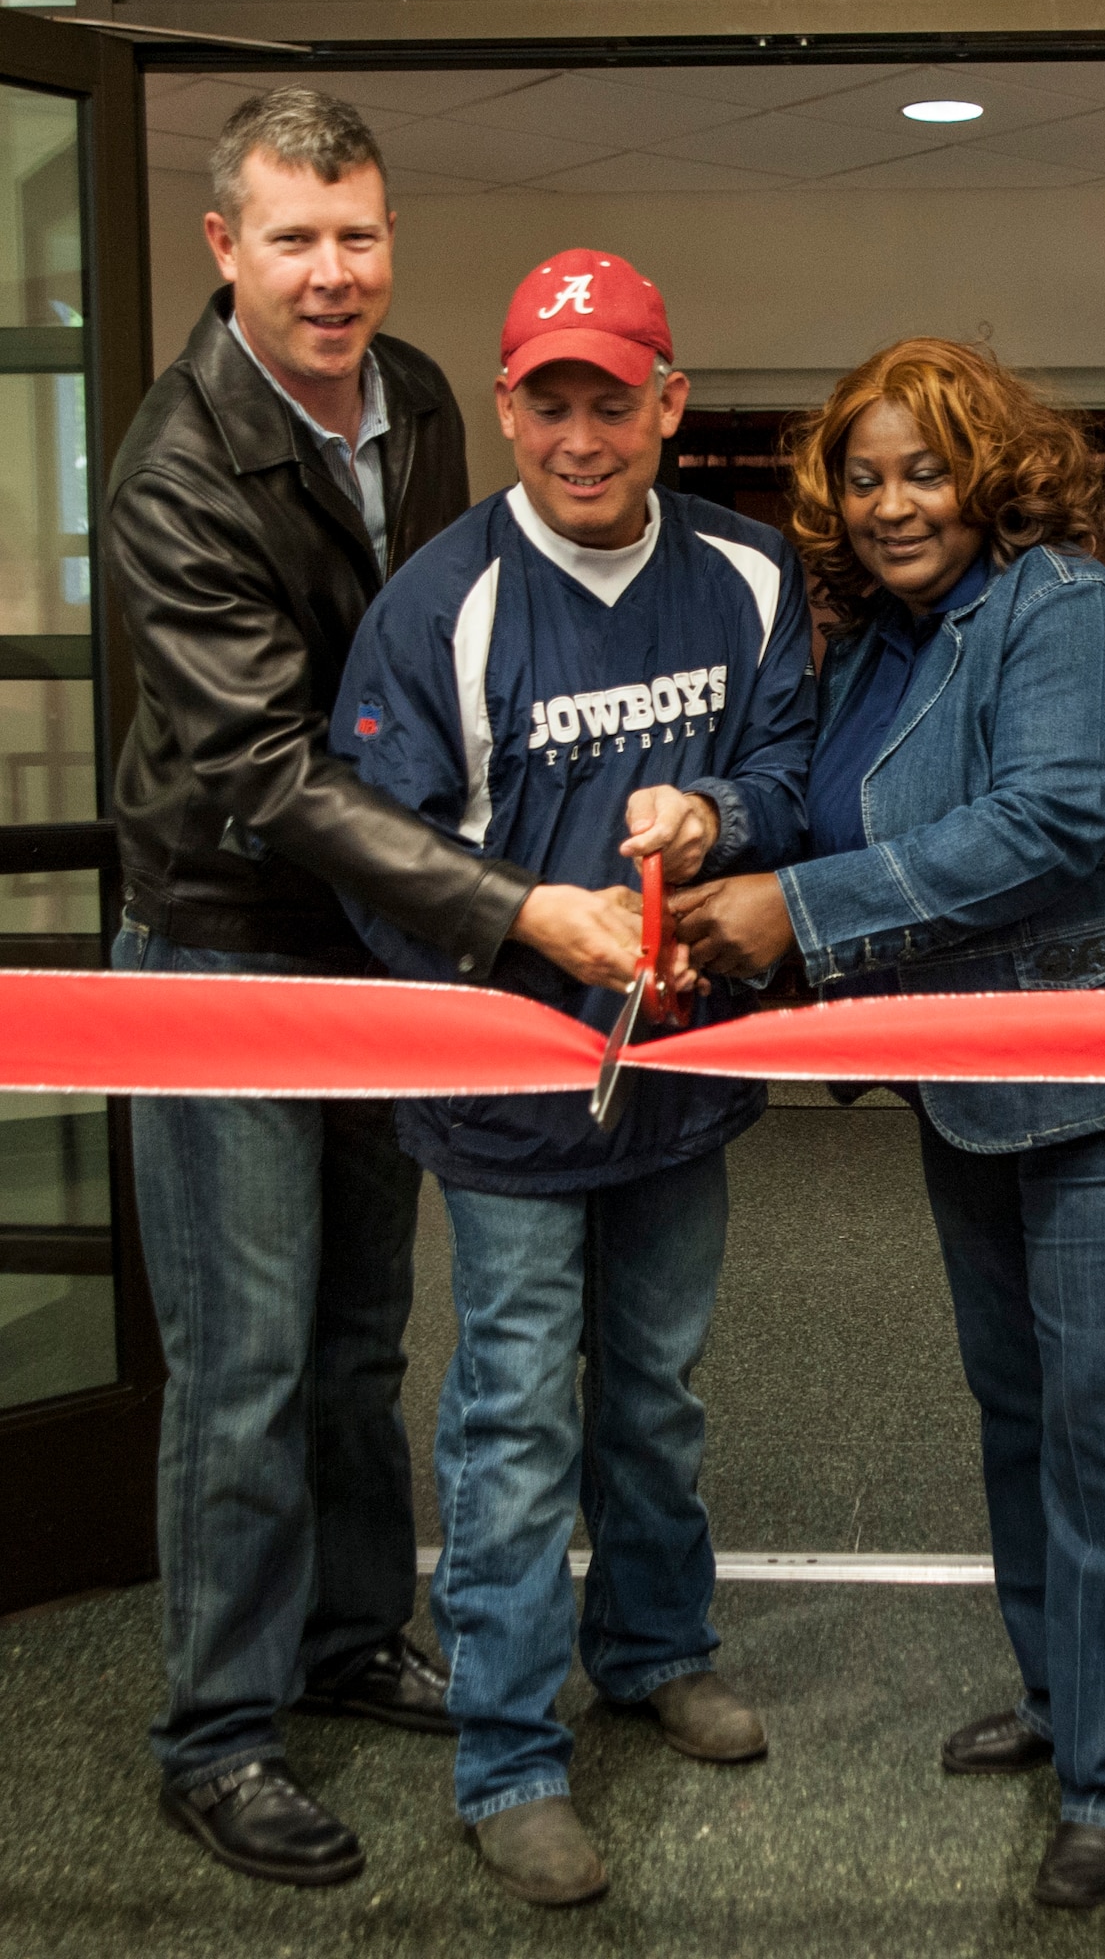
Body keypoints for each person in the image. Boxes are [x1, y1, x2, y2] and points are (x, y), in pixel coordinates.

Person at [106, 96, 642, 1890]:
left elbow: (464, 634)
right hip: (228, 943)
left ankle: (344, 1638)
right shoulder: (174, 465)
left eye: (358, 236)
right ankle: (218, 1732)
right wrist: (518, 912)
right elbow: (268, 770)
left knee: (351, 1341)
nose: (332, 277)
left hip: (380, 940)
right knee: (243, 1363)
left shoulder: (416, 391)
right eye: (293, 241)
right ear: (223, 250)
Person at [671, 339, 1105, 1912]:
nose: (888, 505)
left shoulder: (1059, 610)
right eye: (860, 479)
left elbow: (1046, 827)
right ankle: (1064, 1703)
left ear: (989, 472)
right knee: (1019, 1413)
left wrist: (789, 911)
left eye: (921, 470)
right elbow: (810, 800)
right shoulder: (878, 646)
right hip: (979, 1083)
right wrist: (719, 828)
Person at [330, 248, 816, 1907]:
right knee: (514, 1418)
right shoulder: (438, 604)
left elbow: (786, 769)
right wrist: (540, 954)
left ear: (667, 404)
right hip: (507, 1095)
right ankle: (507, 1755)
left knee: (656, 1390)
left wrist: (716, 824)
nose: (582, 432)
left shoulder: (749, 575)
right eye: (550, 399)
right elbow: (378, 860)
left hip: (676, 1079)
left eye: (615, 397)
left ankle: (655, 1648)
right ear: (508, 405)